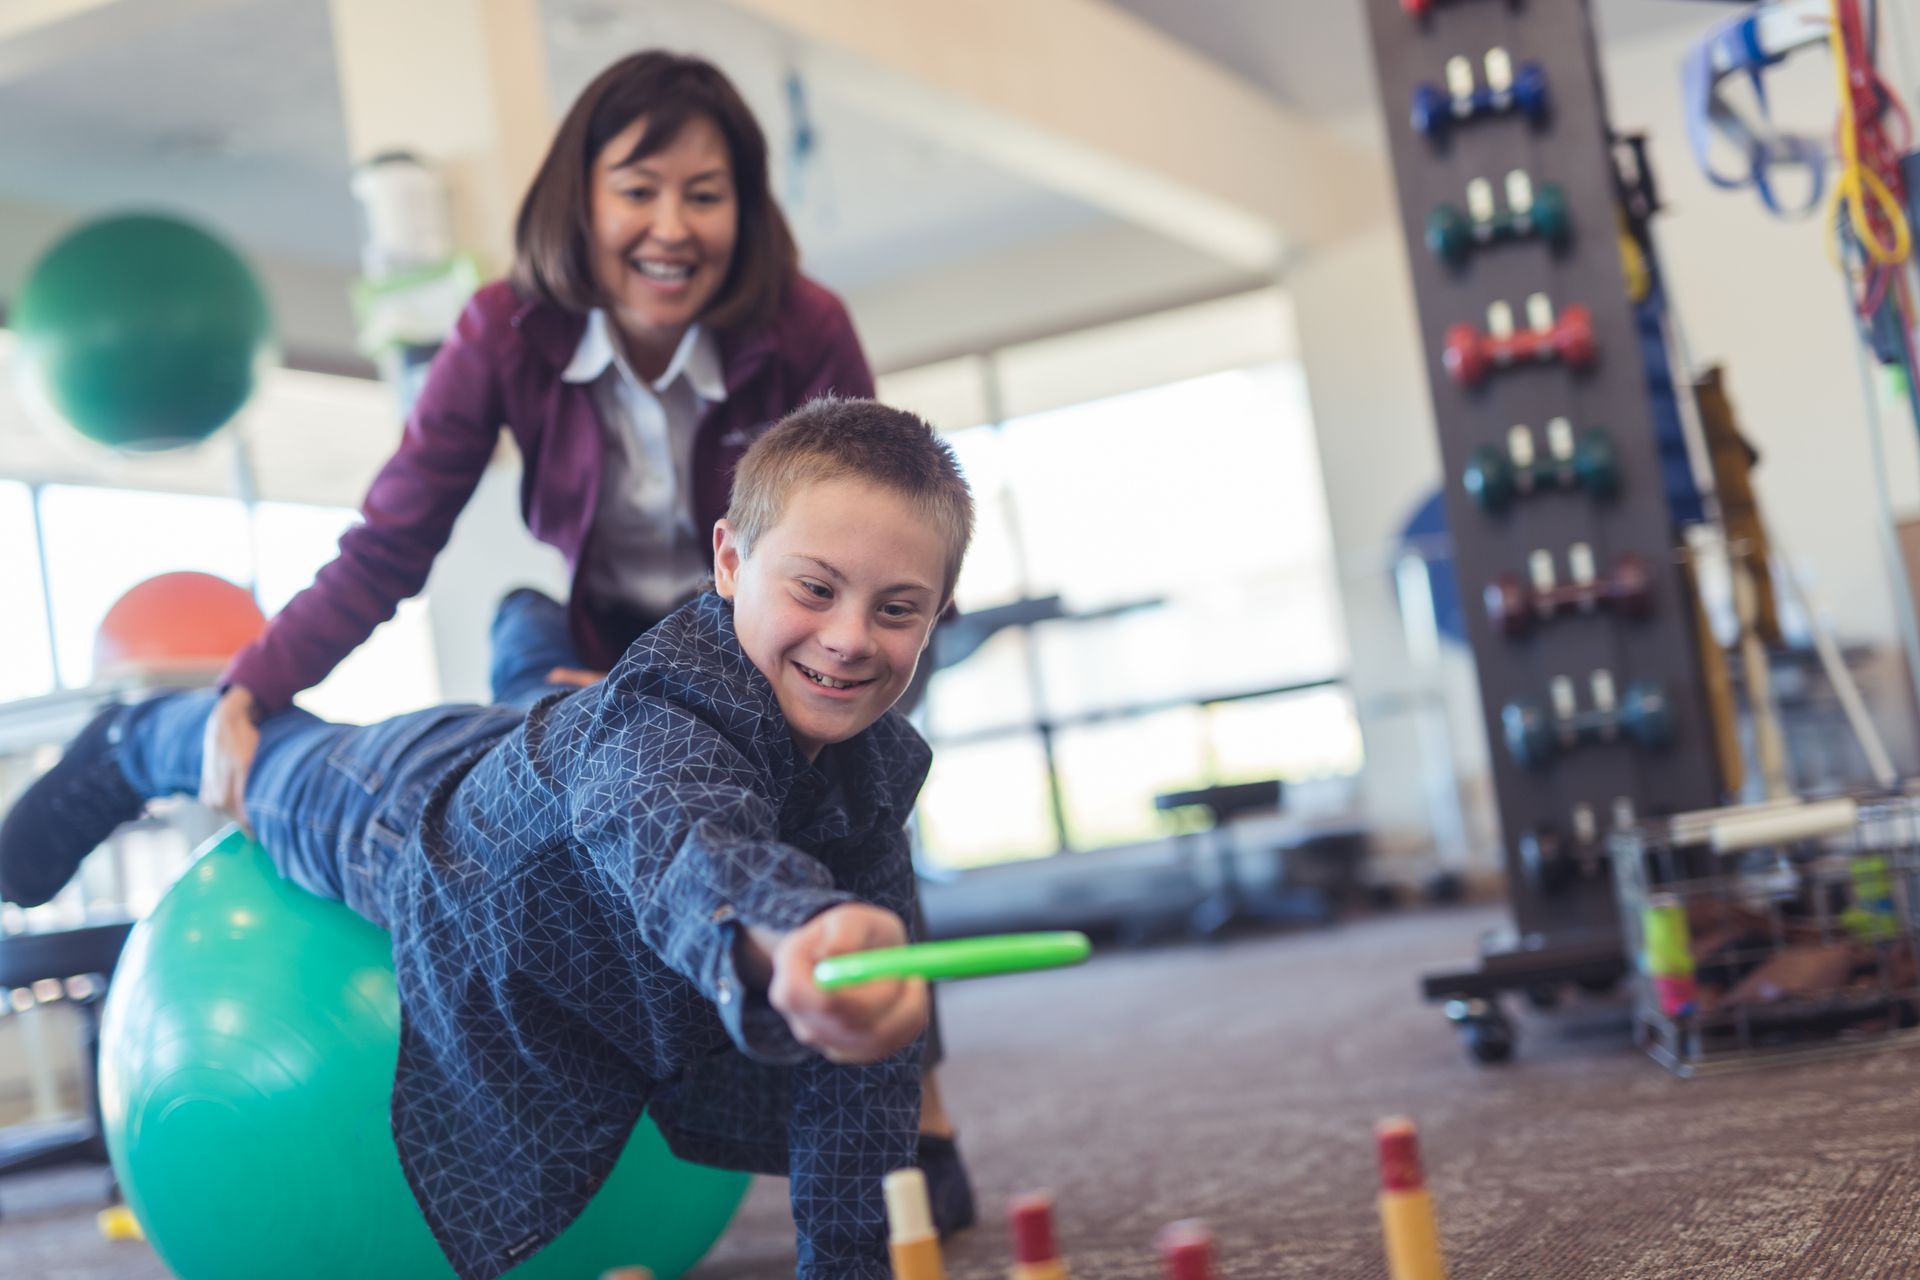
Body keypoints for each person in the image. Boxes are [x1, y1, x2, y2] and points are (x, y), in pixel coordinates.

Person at [202, 50, 972, 1227]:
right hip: (593, 651)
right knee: (582, 753)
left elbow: (884, 517)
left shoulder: (802, 325)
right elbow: (392, 539)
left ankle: (917, 1100)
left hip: (765, 653)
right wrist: (253, 686)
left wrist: (886, 642)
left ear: (744, 210)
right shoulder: (504, 329)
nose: (672, 225)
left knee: (856, 806)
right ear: (585, 197)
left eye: (705, 194)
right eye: (639, 187)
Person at [0, 400, 973, 1280]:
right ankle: (138, 735)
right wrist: (784, 927)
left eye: (897, 609)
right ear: (728, 560)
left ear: (933, 618)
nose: (850, 638)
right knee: (270, 767)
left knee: (554, 715)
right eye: (815, 588)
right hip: (423, 809)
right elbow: (683, 831)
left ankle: (528, 633)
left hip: (561, 755)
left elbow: (870, 1037)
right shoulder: (663, 726)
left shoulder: (871, 773)